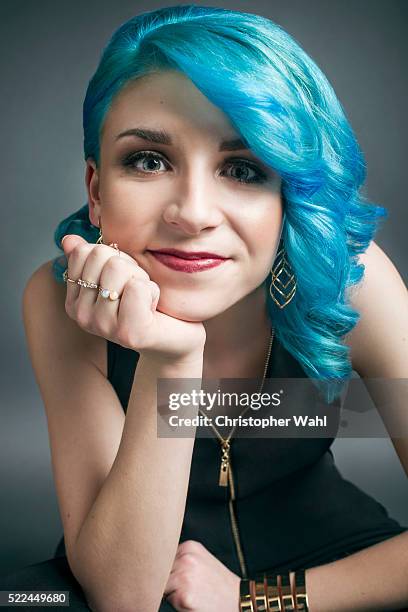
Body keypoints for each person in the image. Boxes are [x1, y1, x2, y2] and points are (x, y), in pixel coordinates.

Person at [3, 4, 407, 611]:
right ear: (95, 190)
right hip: (138, 569)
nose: (191, 213)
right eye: (148, 160)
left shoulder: (352, 277)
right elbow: (122, 595)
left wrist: (258, 600)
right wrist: (172, 355)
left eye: (242, 169)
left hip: (335, 570)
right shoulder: (60, 299)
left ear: (288, 198)